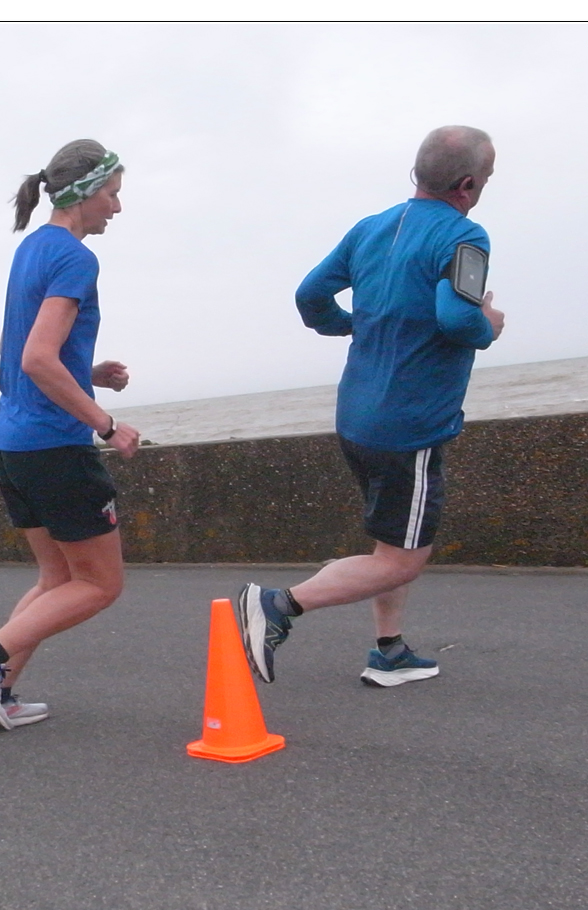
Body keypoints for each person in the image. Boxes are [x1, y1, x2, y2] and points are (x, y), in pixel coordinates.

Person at [238, 125, 505, 688]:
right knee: (403, 559)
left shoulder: (368, 229)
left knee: (390, 542)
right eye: (484, 179)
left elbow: (309, 296)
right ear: (467, 183)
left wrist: (355, 325)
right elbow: (458, 319)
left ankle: (389, 651)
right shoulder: (465, 236)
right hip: (409, 426)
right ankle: (276, 606)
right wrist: (490, 325)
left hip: (356, 416)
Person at [0, 139, 141, 736]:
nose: (117, 206)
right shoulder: (77, 259)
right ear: (84, 193)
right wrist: (106, 424)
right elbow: (36, 358)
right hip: (54, 447)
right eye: (111, 193)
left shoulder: (33, 248)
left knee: (57, 580)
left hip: (13, 442)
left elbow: (32, 357)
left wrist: (88, 376)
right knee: (101, 584)